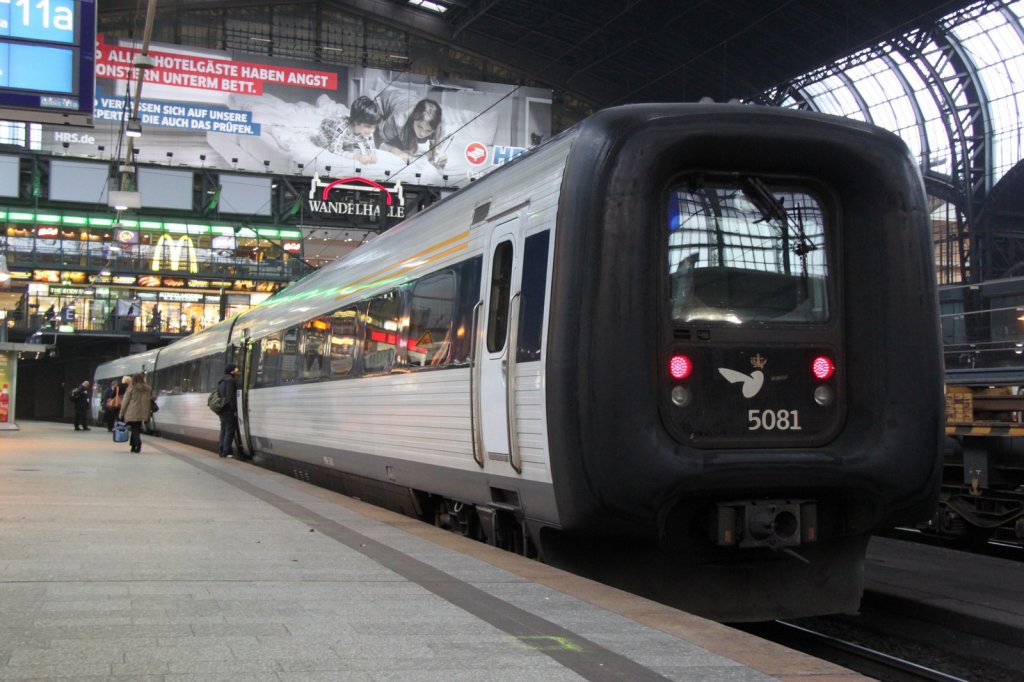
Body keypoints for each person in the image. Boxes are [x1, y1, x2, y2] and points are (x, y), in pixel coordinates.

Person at [311, 95, 383, 164]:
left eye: (374, 127)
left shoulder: (367, 130)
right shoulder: (342, 128)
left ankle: (345, 142)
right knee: (328, 147)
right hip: (326, 131)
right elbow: (335, 150)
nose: (372, 131)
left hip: (347, 137)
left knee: (350, 146)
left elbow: (370, 147)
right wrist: (356, 157)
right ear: (356, 122)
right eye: (368, 126)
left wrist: (371, 156)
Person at [379, 98, 447, 168]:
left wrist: (437, 154)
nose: (422, 134)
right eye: (419, 126)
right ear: (413, 119)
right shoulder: (398, 120)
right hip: (388, 100)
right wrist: (397, 152)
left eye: (428, 130)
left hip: (413, 99)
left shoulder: (439, 127)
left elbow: (435, 148)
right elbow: (380, 142)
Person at [118, 373, 153, 453]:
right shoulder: (148, 389)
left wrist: (121, 413)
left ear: (133, 379)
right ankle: (133, 446)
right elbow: (150, 400)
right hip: (143, 413)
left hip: (132, 412)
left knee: (134, 429)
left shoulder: (131, 388)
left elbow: (125, 402)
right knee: (136, 428)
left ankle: (138, 443)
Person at [217, 364, 241, 458]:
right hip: (228, 409)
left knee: (223, 430)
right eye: (236, 369)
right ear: (232, 371)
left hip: (222, 408)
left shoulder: (221, 381)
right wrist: (234, 409)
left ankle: (221, 451)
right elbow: (230, 396)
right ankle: (226, 452)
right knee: (229, 431)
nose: (237, 370)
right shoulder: (231, 380)